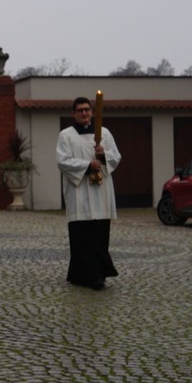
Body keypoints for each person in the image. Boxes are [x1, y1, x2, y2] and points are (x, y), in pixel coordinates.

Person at [56, 96, 121, 290]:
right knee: (81, 237)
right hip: (79, 193)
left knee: (99, 235)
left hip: (101, 192)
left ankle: (98, 274)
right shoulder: (66, 135)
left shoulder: (105, 134)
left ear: (93, 112)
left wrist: (103, 155)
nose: (84, 113)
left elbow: (116, 157)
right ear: (73, 113)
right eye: (80, 110)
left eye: (87, 109)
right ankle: (80, 275)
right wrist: (87, 165)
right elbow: (62, 161)